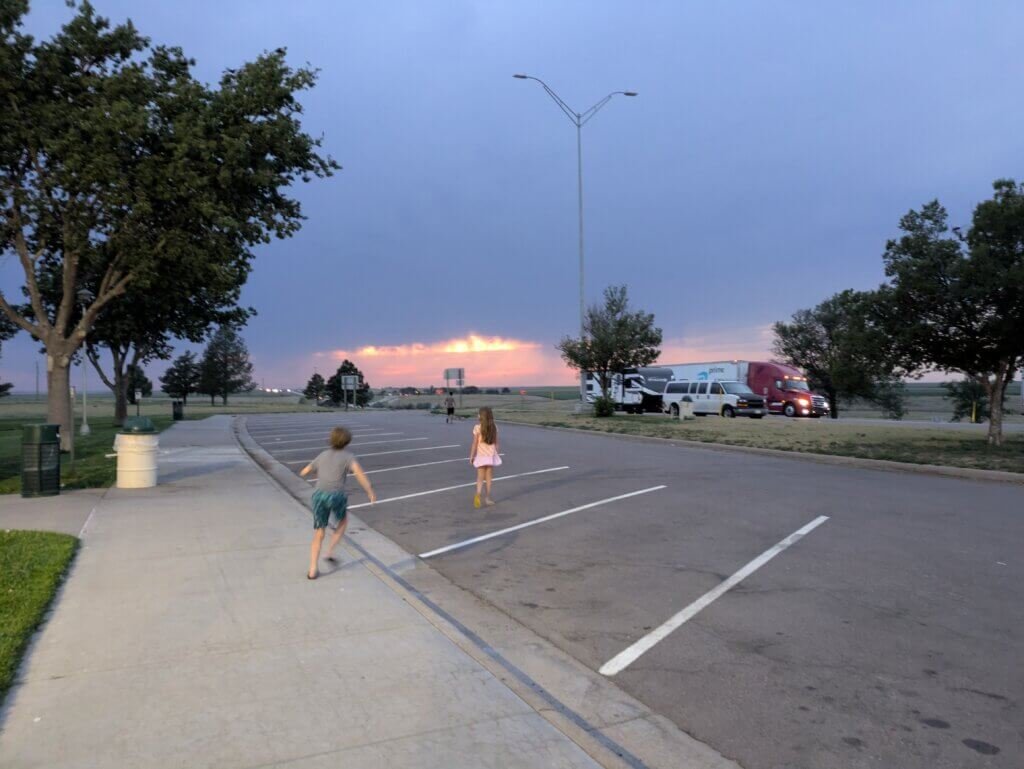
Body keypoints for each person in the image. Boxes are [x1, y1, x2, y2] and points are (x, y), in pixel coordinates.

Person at [299, 426, 376, 579]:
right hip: (337, 496)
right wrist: (370, 491)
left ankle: (313, 569)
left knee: (319, 532)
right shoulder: (348, 457)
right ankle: (329, 552)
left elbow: (305, 471)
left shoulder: (323, 455)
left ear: (331, 439)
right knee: (342, 522)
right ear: (347, 442)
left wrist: (315, 471)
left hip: (319, 495)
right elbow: (359, 474)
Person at [469, 406, 501, 508]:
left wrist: (471, 456)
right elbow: (496, 443)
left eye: (479, 414)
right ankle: (487, 498)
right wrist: (497, 453)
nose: (477, 415)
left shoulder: (477, 428)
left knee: (480, 477)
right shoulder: (494, 427)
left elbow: (474, 443)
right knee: (488, 478)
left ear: (481, 416)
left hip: (481, 456)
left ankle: (478, 494)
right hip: (490, 457)